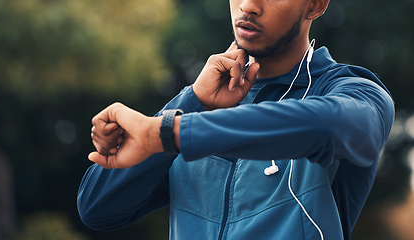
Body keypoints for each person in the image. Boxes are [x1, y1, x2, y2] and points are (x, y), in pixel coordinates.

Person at [77, 0, 395, 239]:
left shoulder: (354, 91)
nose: (248, 5)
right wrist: (191, 102)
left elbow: (328, 125)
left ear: (315, 4)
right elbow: (97, 209)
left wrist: (172, 133)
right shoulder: (195, 106)